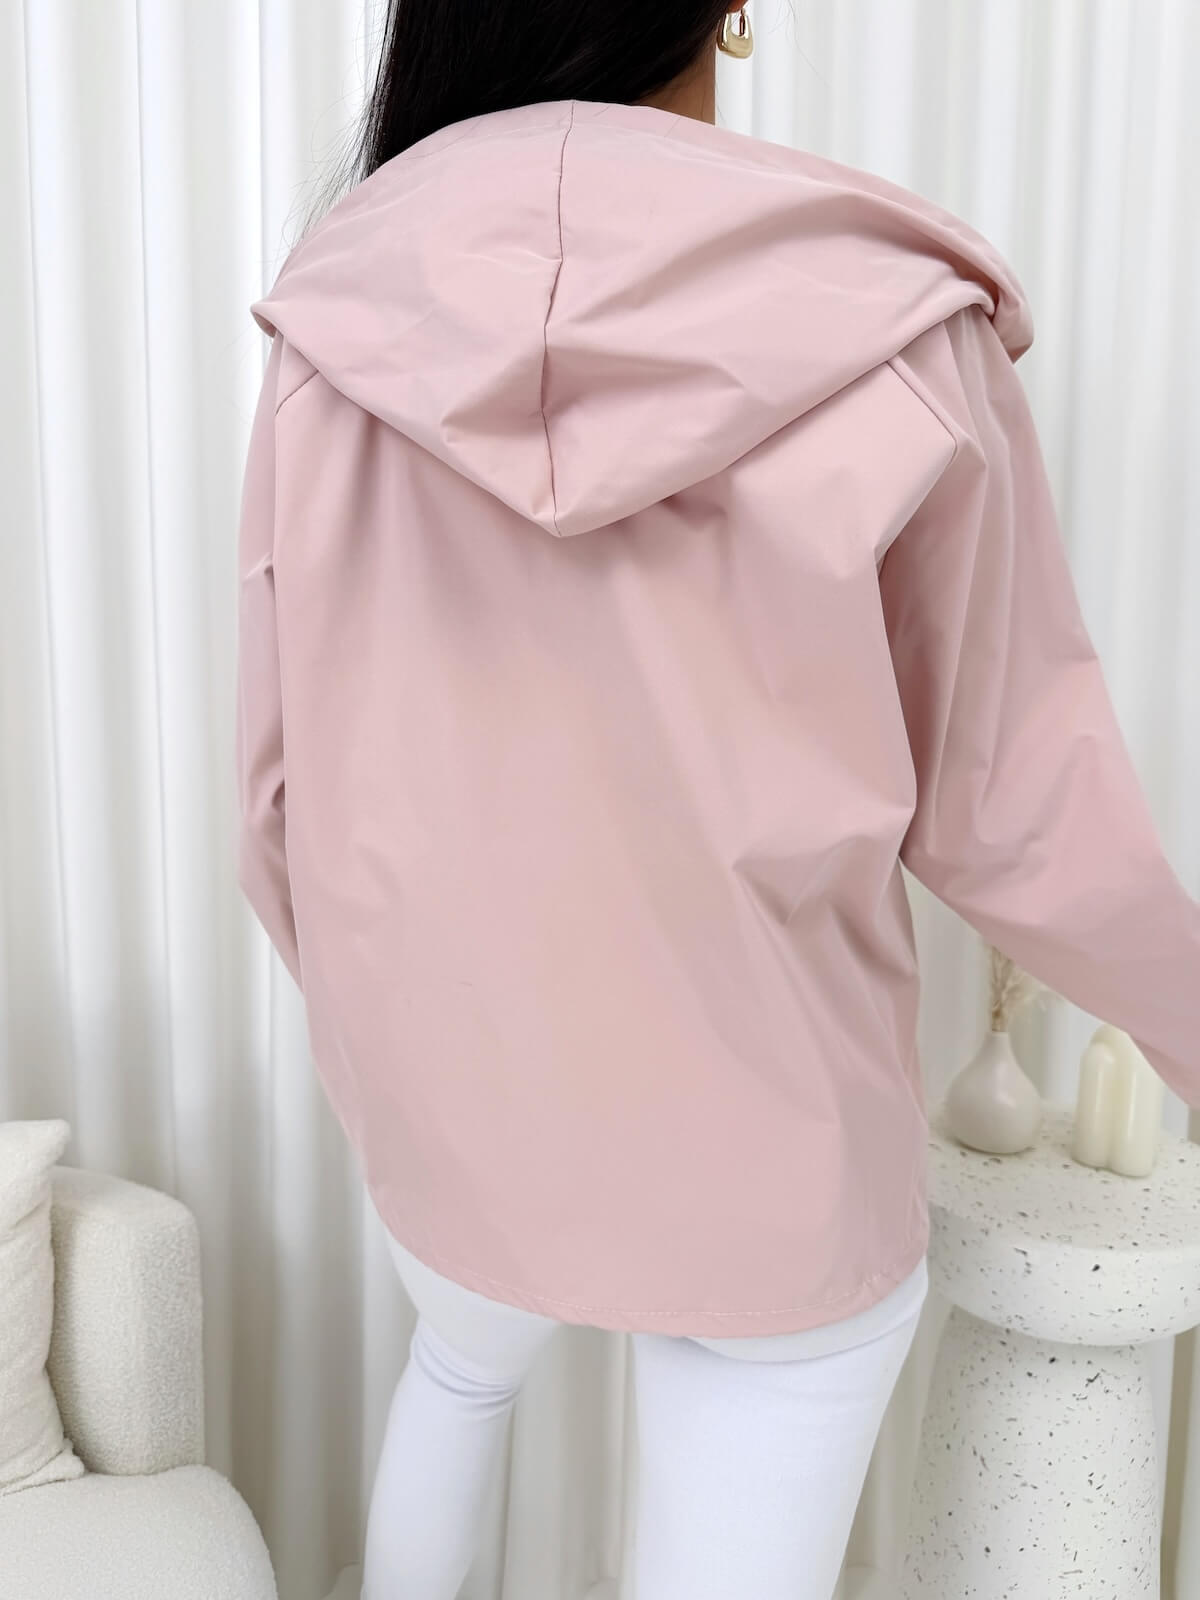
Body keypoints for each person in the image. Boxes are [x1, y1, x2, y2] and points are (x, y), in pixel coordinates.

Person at [234, 3, 1200, 1596]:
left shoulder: (343, 311)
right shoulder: (895, 322)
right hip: (773, 1129)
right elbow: (1019, 811)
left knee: (458, 1371)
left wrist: (400, 1038)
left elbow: (280, 789)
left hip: (454, 1090)